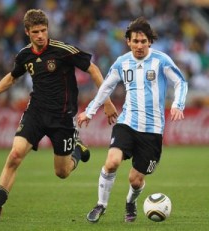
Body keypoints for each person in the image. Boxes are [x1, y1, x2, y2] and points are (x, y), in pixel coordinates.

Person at [0, 9, 117, 221]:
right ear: (27, 32)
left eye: (43, 30)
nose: (40, 35)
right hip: (36, 113)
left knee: (62, 172)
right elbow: (12, 77)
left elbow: (93, 69)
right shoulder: (25, 55)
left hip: (62, 117)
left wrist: (106, 101)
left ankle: (77, 150)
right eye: (35, 32)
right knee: (15, 155)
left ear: (47, 29)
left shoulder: (63, 50)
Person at [77, 16, 188, 223]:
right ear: (128, 41)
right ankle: (101, 205)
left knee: (135, 180)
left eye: (143, 41)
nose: (139, 46)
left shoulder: (161, 60)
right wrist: (89, 111)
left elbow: (181, 82)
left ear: (150, 42)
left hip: (153, 130)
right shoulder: (122, 62)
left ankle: (131, 201)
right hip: (127, 122)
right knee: (112, 162)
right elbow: (106, 87)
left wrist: (177, 105)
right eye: (135, 41)